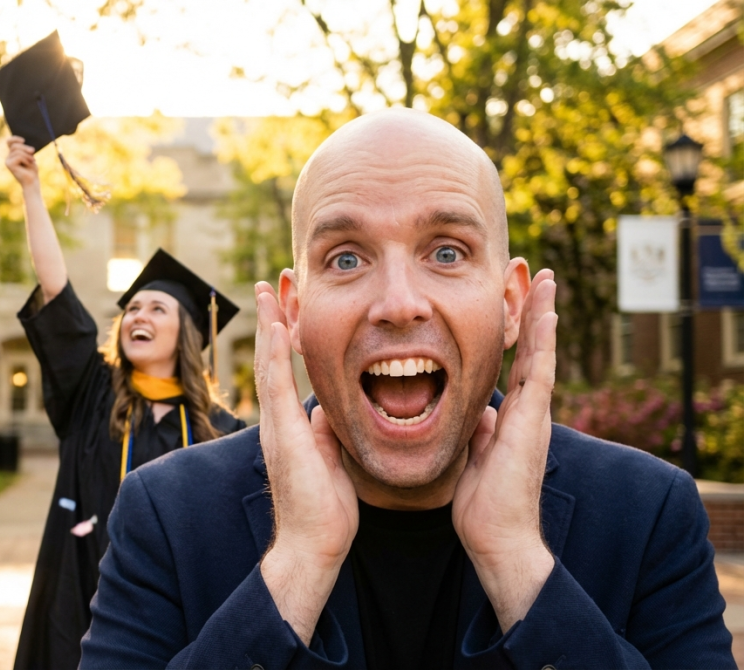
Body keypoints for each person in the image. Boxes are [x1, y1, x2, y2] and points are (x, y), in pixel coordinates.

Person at [80, 108, 735, 668]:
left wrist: (518, 566)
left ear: (510, 304)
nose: (399, 304)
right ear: (295, 313)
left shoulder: (648, 514)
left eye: (446, 252)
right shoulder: (166, 516)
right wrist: (296, 568)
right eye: (346, 258)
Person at [5, 135, 248, 670]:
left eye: (157, 308)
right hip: (80, 597)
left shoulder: (221, 429)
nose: (139, 316)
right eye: (133, 308)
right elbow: (56, 291)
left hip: (178, 610)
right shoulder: (93, 393)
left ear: (186, 331)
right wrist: (31, 189)